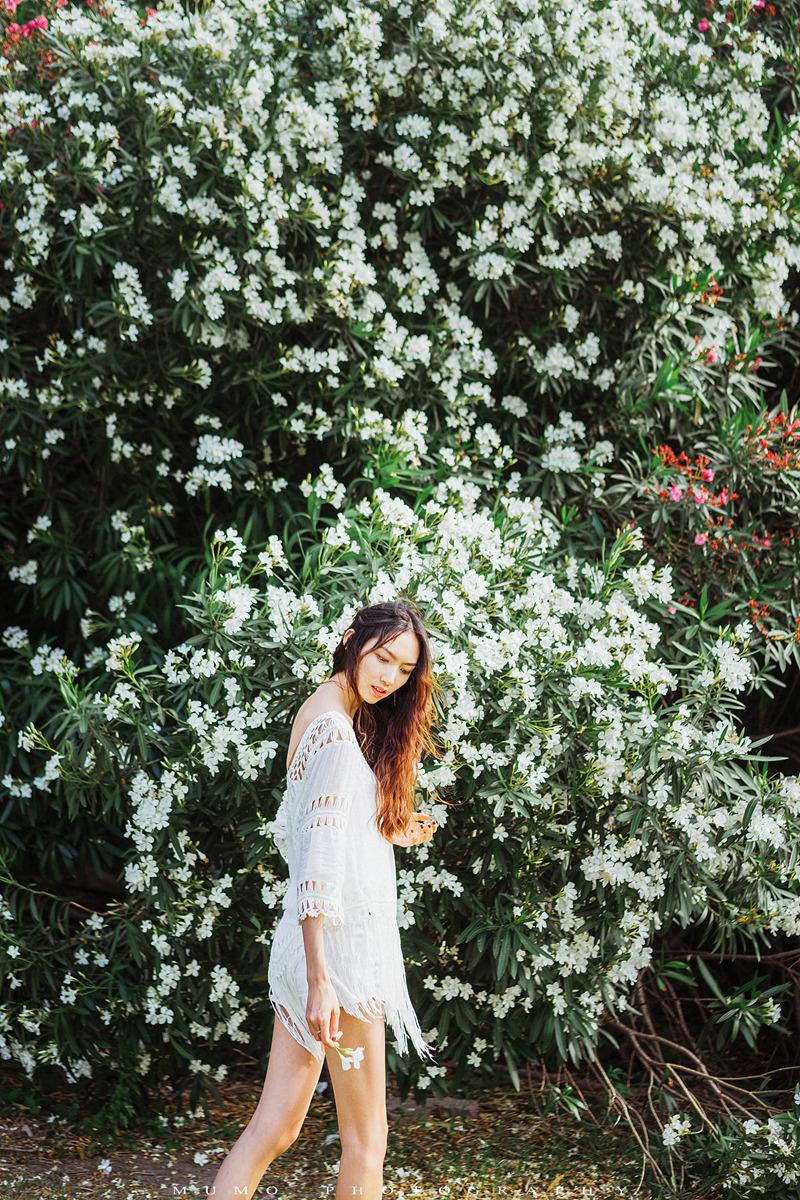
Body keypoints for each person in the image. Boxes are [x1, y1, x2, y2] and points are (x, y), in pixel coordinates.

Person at [209, 599, 442, 1200]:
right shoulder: (338, 737)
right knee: (367, 1140)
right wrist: (321, 980)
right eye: (383, 658)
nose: (389, 677)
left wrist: (385, 829)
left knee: (276, 1127)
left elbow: (315, 830)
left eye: (404, 669)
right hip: (338, 959)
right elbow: (316, 865)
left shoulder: (319, 712)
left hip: (308, 949)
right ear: (351, 639)